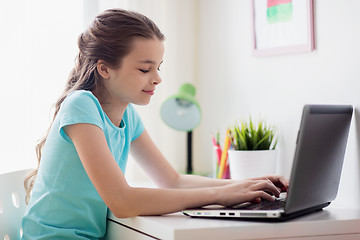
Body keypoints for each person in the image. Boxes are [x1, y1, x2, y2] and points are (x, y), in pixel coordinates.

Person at [22, 8, 288, 239]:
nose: (158, 78)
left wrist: (245, 185)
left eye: (159, 67)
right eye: (144, 69)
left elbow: (172, 180)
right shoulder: (81, 105)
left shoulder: (128, 115)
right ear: (104, 69)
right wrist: (219, 196)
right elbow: (122, 202)